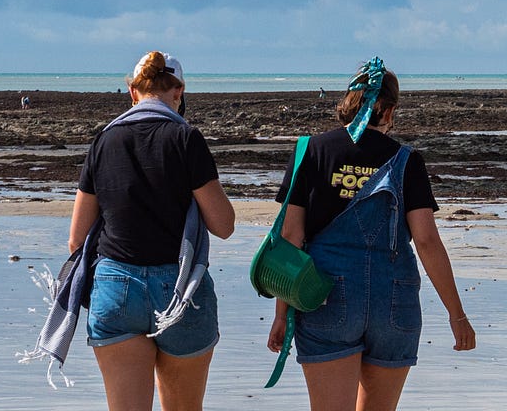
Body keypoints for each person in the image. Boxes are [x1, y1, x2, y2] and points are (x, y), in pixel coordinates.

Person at [266, 58, 475, 411]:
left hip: (324, 296)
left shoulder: (311, 151)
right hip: (393, 299)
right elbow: (425, 240)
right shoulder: (407, 161)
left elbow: (290, 237)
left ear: (349, 100)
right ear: (390, 111)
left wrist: (281, 313)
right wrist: (457, 315)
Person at [67, 51, 236, 409]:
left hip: (115, 285)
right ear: (179, 92)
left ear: (133, 92)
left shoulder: (103, 141)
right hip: (179, 288)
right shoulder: (185, 139)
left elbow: (76, 240)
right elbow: (223, 225)